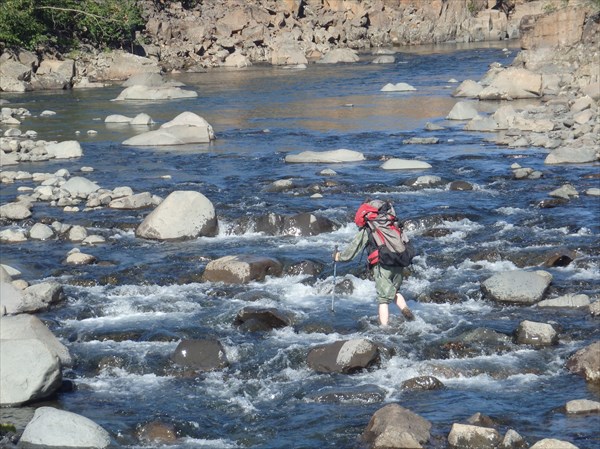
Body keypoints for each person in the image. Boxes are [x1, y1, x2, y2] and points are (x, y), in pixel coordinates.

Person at [333, 202, 415, 327]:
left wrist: (339, 256)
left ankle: (384, 328)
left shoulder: (370, 228)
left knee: (383, 300)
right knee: (394, 291)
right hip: (399, 262)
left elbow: (353, 249)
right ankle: (407, 313)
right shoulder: (393, 224)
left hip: (383, 264)